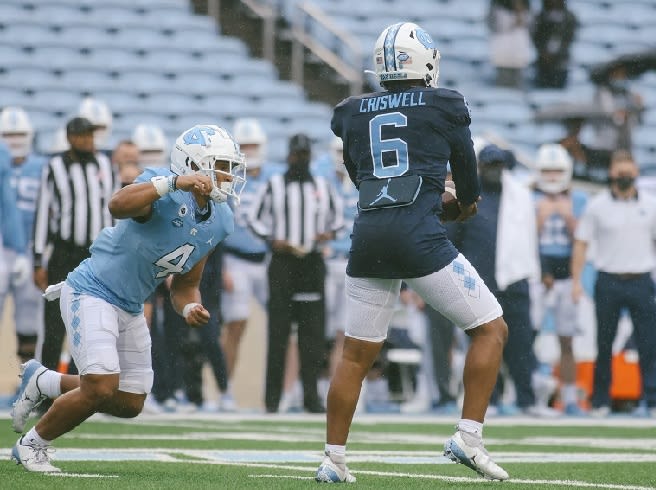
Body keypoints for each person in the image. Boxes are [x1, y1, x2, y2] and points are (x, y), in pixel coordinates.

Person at [315, 22, 509, 483]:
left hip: (368, 238)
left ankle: (333, 459)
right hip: (418, 237)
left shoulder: (350, 111)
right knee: (491, 329)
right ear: (424, 62)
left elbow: (363, 178)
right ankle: (468, 436)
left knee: (355, 356)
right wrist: (457, 205)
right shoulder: (444, 103)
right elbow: (469, 183)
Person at [10, 124, 246, 472]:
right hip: (93, 290)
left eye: (230, 167)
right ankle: (31, 445)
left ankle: (45, 381)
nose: (228, 175)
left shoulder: (220, 219)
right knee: (101, 386)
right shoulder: (162, 185)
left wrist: (191, 305)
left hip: (130, 305)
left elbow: (184, 285)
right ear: (195, 165)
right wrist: (173, 184)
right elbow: (118, 204)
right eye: (221, 165)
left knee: (131, 401)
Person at [249, 133, 344, 414]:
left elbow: (338, 218)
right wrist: (272, 238)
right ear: (289, 155)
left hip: (311, 262)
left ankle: (311, 399)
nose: (300, 159)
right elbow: (252, 218)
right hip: (282, 263)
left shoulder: (322, 185)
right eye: (296, 155)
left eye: (304, 155)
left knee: (312, 333)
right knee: (277, 332)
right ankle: (272, 401)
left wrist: (327, 233)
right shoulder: (274, 184)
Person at [571, 150, 656, 417]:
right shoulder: (597, 206)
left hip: (641, 279)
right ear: (611, 174)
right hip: (608, 280)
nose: (624, 177)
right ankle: (600, 401)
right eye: (620, 173)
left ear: (636, 174)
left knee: (648, 343)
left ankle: (651, 400)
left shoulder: (651, 205)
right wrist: (576, 281)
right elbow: (582, 244)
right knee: (604, 342)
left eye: (628, 173)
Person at [32, 116, 114, 376]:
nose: (88, 140)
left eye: (90, 135)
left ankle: (83, 389)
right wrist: (38, 260)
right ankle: (46, 389)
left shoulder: (104, 163)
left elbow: (112, 209)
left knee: (90, 324)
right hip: (65, 252)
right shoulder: (54, 167)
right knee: (55, 322)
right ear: (70, 137)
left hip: (94, 255)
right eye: (82, 135)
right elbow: (43, 214)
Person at [220, 118, 273, 405]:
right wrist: (224, 266)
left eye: (255, 146)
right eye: (246, 146)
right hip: (236, 259)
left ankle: (288, 390)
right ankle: (225, 389)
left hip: (267, 259)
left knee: (284, 326)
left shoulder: (275, 176)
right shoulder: (228, 178)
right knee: (236, 323)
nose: (251, 151)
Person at [533, 143, 587, 415]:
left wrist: (568, 218)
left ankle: (569, 397)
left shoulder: (578, 200)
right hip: (537, 273)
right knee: (528, 335)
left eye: (557, 171)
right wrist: (539, 219)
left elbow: (583, 240)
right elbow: (524, 238)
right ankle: (529, 393)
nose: (552, 177)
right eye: (547, 171)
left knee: (567, 339)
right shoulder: (529, 198)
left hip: (566, 274)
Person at [0, 107, 46, 368]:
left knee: (29, 316)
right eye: (8, 134)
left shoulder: (42, 167)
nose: (14, 139)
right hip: (2, 246)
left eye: (19, 134)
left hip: (30, 247)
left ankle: (27, 382)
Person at [531, 0, 578, 89]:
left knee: (559, 87)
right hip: (543, 62)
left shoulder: (569, 17)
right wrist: (543, 52)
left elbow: (570, 37)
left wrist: (558, 53)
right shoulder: (540, 17)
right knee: (542, 89)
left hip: (560, 62)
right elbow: (535, 36)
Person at [487, 0, 533, 89]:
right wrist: (512, 21)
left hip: (519, 53)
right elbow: (493, 25)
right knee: (502, 89)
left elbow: (531, 25)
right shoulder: (497, 5)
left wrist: (520, 13)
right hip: (502, 52)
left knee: (518, 88)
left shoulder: (526, 5)